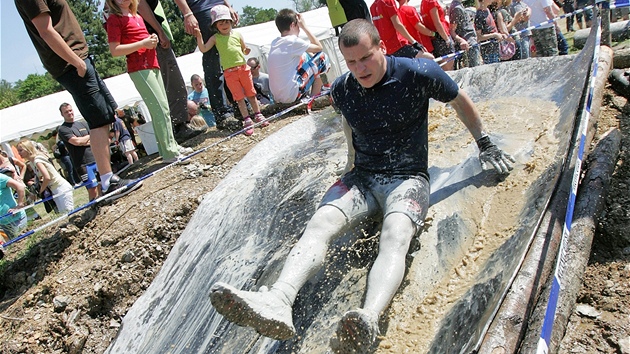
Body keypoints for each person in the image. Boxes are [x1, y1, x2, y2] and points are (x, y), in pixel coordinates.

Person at [209, 19, 514, 353]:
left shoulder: (418, 73)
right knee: (320, 223)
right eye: (351, 62)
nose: (359, 68)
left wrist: (485, 144)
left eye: (365, 58)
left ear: (381, 47)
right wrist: (349, 164)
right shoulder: (342, 88)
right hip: (363, 177)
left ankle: (368, 316)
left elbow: (459, 100)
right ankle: (279, 299)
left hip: (407, 178)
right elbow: (348, 123)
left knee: (396, 232)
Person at [15, 0, 142, 202]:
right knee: (98, 118)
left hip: (78, 59)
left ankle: (108, 178)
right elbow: (46, 30)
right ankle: (108, 181)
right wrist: (77, 62)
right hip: (71, 63)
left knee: (105, 114)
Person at [105, 0, 189, 165]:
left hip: (152, 64)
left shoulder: (136, 15)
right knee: (160, 108)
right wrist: (143, 43)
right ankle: (170, 152)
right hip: (139, 68)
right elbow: (115, 50)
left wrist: (152, 39)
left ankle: (170, 147)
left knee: (163, 107)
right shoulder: (114, 19)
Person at [137, 0, 204, 143]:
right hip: (152, 37)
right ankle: (179, 127)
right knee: (173, 83)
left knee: (170, 83)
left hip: (147, 38)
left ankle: (176, 128)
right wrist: (159, 31)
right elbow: (140, 4)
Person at [195, 5, 267, 137]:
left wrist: (246, 51)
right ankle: (247, 119)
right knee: (239, 98)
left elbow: (244, 48)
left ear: (231, 22)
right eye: (220, 22)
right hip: (229, 72)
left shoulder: (238, 34)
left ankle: (258, 114)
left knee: (251, 94)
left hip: (243, 68)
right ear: (215, 25)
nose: (224, 25)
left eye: (227, 21)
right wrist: (199, 36)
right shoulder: (215, 38)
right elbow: (204, 49)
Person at [173, 0, 241, 131]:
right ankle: (223, 114)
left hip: (219, 7)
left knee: (229, 55)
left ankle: (239, 105)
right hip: (201, 9)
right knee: (213, 60)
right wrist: (187, 13)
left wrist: (227, 6)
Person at [267, 9, 331, 104]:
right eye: (298, 26)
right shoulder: (293, 41)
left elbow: (307, 55)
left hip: (279, 97)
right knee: (322, 58)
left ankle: (315, 91)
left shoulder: (275, 43)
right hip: (291, 95)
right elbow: (319, 47)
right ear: (293, 25)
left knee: (306, 56)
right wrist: (305, 27)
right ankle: (314, 98)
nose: (299, 29)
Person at [58, 103, 102, 201]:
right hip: (82, 163)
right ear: (62, 114)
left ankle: (103, 202)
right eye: (66, 112)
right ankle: (93, 207)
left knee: (101, 184)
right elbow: (77, 142)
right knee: (92, 188)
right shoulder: (63, 129)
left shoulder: (83, 124)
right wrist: (88, 137)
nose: (69, 113)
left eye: (70, 110)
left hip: (95, 157)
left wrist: (84, 140)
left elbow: (94, 139)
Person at [17, 140, 74, 214]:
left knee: (69, 213)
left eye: (21, 150)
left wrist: (40, 191)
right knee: (63, 214)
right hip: (54, 189)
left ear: (28, 149)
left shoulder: (37, 161)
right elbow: (42, 178)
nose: (19, 153)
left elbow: (47, 178)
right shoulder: (32, 163)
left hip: (61, 187)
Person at [420, 0, 457, 69]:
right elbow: (437, 22)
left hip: (435, 39)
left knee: (443, 67)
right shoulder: (431, 2)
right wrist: (447, 39)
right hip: (442, 37)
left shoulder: (423, 3)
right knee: (449, 68)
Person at [449, 0, 483, 68]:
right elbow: (452, 31)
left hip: (471, 43)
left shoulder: (458, 5)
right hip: (468, 44)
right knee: (475, 70)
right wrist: (462, 40)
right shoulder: (457, 8)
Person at [0, 168, 27, 248]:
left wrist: (19, 205)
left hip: (16, 219)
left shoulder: (1, 178)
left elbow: (20, 187)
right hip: (4, 223)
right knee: (17, 247)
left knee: (23, 245)